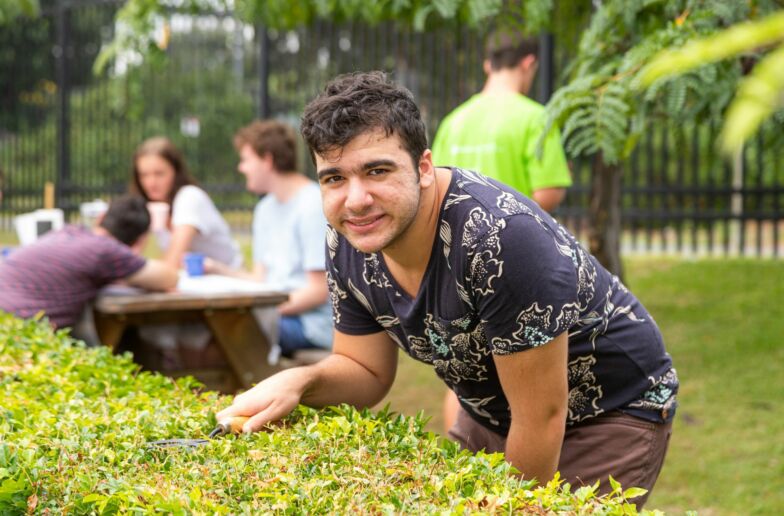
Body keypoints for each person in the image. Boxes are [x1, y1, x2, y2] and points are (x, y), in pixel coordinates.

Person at [217, 72, 677, 508]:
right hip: (494, 413)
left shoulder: (500, 239)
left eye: (377, 170)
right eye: (334, 177)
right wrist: (301, 380)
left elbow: (541, 417)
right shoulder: (349, 238)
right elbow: (365, 370)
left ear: (422, 166)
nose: (355, 199)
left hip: (609, 413)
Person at [205, 120, 332, 358]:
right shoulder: (265, 208)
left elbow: (318, 291)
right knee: (211, 328)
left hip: (309, 325)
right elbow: (260, 279)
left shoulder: (313, 204)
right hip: (277, 313)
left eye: (245, 160)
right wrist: (216, 269)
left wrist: (261, 311)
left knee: (224, 334)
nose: (241, 168)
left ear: (267, 159)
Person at [431, 28, 572, 213]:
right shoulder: (536, 117)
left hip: (460, 237)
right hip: (515, 240)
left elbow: (435, 189)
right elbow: (548, 193)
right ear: (529, 63)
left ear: (488, 66)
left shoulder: (452, 121)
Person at [0, 194, 178, 330]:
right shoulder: (106, 250)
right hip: (18, 332)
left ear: (101, 218)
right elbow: (169, 277)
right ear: (140, 240)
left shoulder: (68, 231)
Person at [131, 136, 242, 270]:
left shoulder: (189, 197)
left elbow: (173, 261)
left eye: (159, 174)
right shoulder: (155, 207)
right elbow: (130, 256)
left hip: (228, 282)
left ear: (175, 172)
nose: (151, 183)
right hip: (195, 282)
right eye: (144, 175)